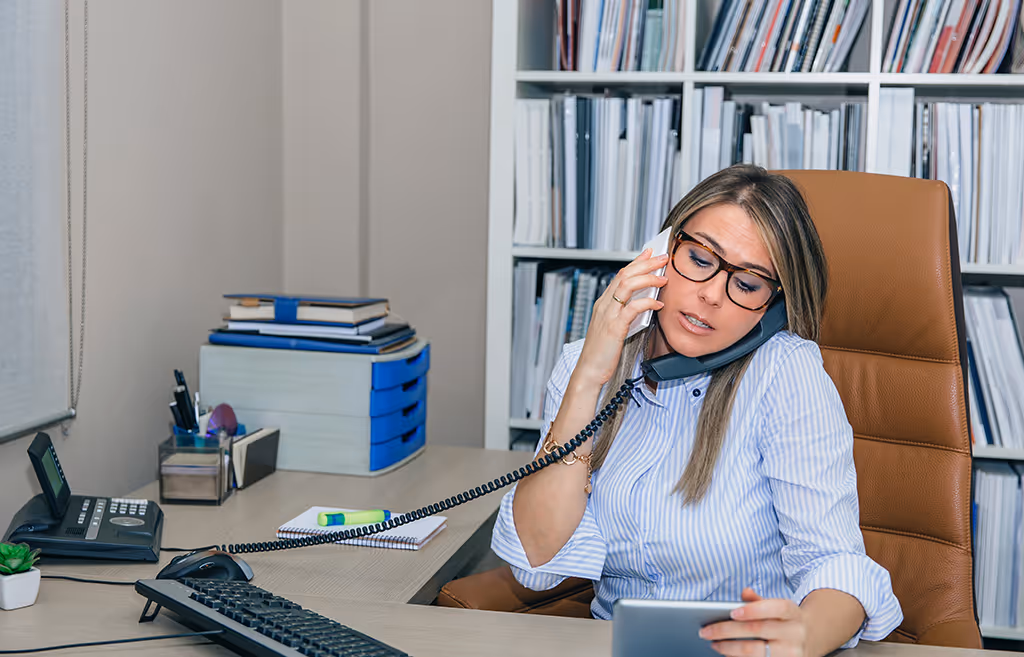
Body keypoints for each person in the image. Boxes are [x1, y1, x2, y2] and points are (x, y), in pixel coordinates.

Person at [491, 164, 903, 657]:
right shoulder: (587, 366)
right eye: (700, 258)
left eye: (747, 284)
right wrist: (587, 380)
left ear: (772, 306)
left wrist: (803, 636)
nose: (711, 294)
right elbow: (537, 564)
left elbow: (834, 560)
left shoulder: (785, 375)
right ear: (662, 251)